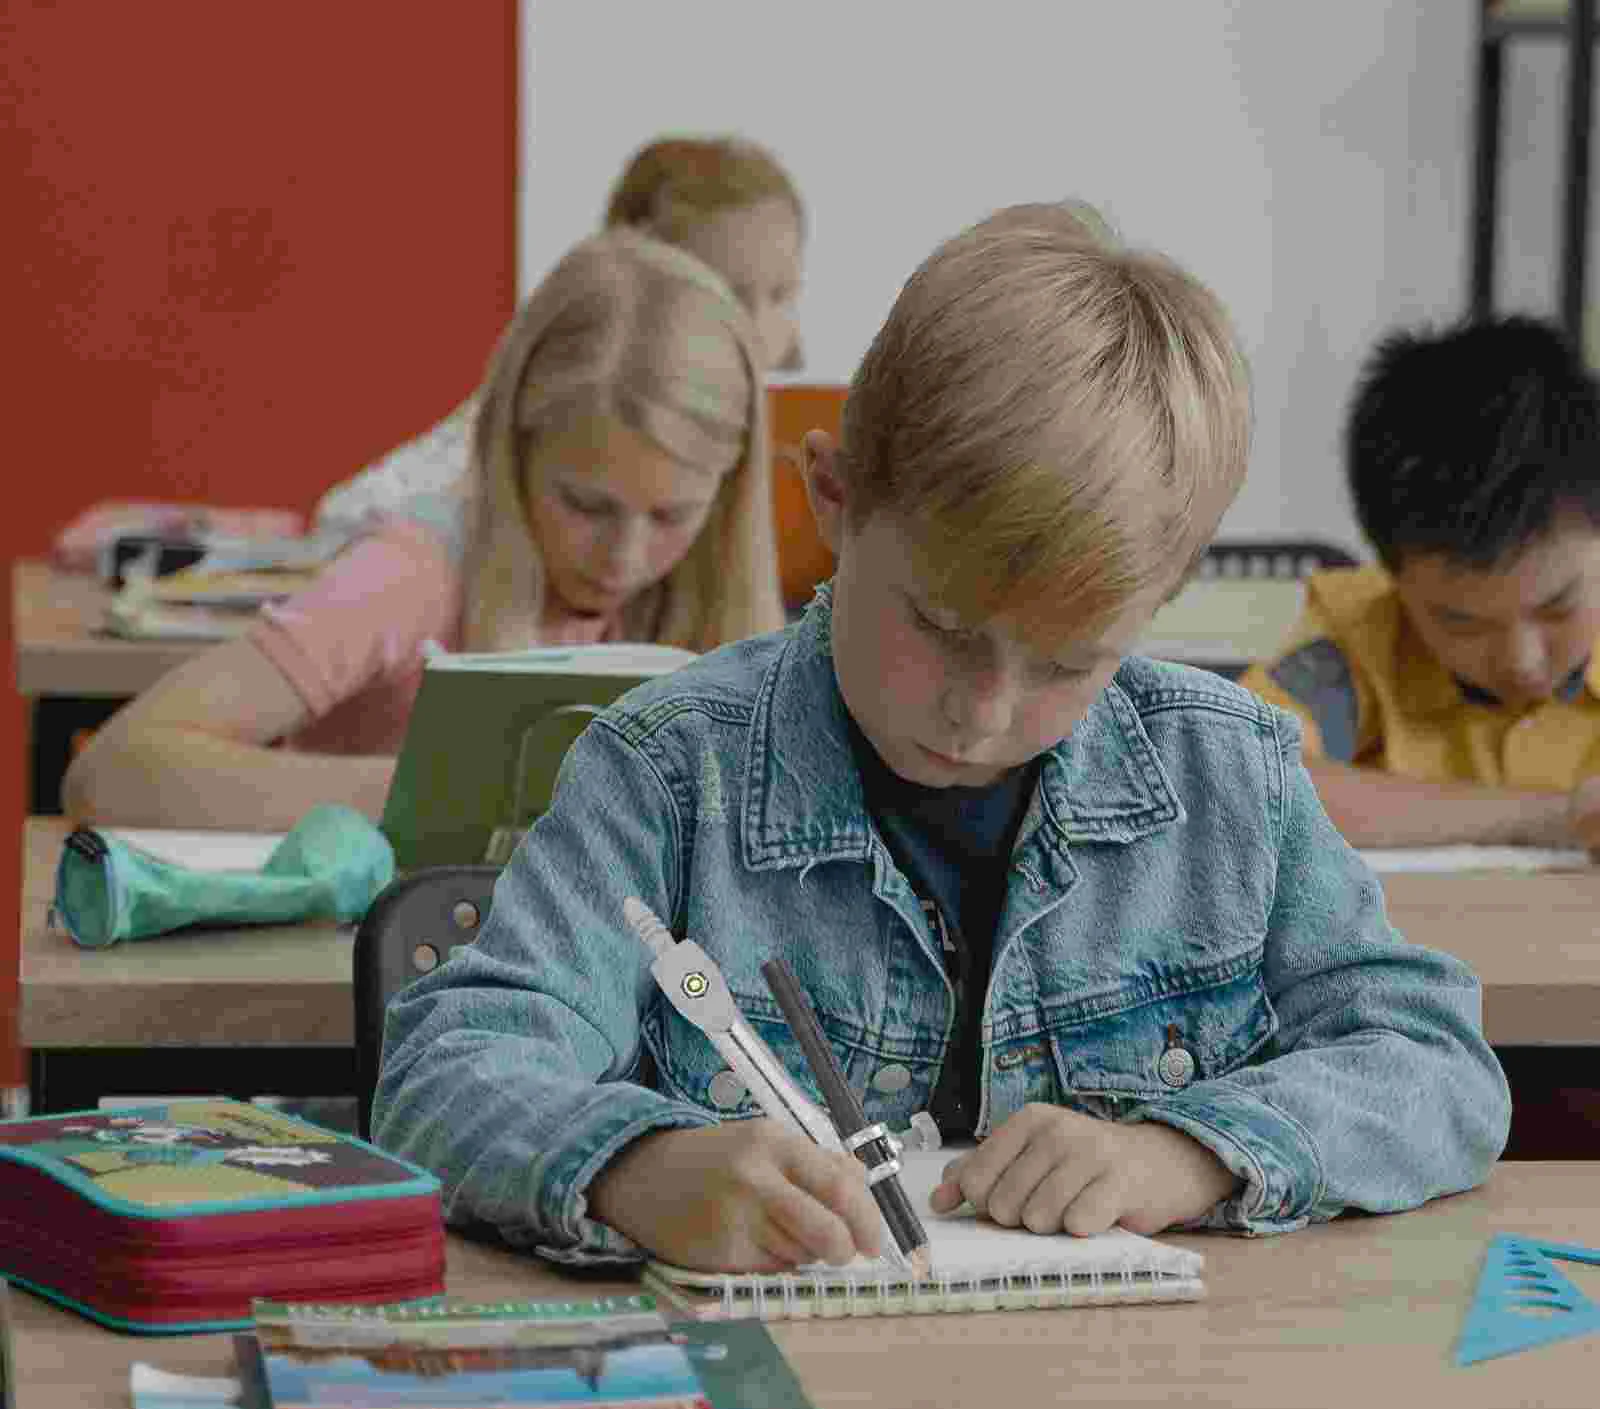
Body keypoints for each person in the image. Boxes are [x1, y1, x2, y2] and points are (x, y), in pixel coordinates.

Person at [371, 202, 1509, 1275]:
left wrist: (1183, 1152)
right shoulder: (669, 771)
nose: (982, 710)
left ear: (1157, 604)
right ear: (833, 496)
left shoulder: (1230, 777)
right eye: (939, 628)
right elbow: (448, 1070)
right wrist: (634, 1166)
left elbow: (1436, 1065)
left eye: (1065, 663)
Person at [62, 229, 783, 829]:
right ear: (514, 449)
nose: (624, 558)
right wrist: (443, 797)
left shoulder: (713, 598)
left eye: (671, 516)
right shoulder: (412, 572)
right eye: (585, 506)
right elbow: (115, 769)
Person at [312, 135, 805, 531]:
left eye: (782, 294)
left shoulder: (806, 422)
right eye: (727, 295)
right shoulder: (569, 387)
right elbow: (352, 513)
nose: (756, 330)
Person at [1239, 316, 1600, 849]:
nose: (1521, 660)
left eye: (1557, 608)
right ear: (1394, 578)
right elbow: (1245, 781)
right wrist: (1553, 817)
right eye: (1460, 621)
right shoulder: (1361, 638)